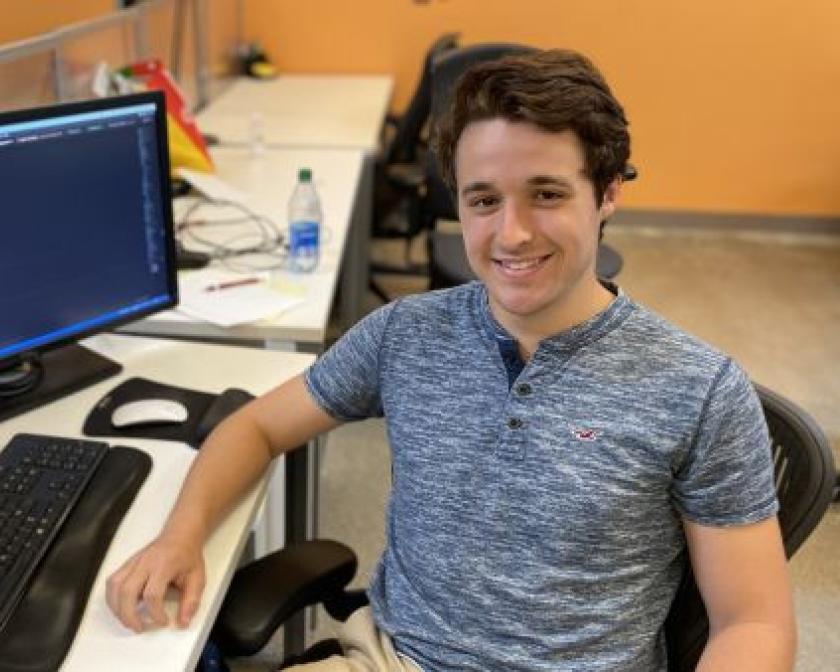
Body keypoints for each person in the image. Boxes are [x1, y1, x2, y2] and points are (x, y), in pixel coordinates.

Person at [106, 49, 796, 671]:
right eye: (484, 200)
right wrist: (179, 537)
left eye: (546, 194)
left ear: (609, 191)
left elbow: (754, 623)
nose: (511, 233)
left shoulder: (698, 389)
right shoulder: (407, 333)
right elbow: (255, 427)